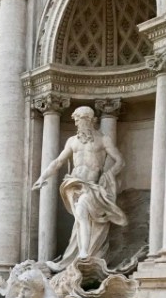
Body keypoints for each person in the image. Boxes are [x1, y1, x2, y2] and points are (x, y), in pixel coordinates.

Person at [32, 105, 127, 270]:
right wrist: (43, 177)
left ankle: (84, 252)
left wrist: (108, 174)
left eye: (79, 120)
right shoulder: (72, 141)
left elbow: (120, 160)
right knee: (80, 220)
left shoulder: (103, 139)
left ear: (88, 120)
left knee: (82, 209)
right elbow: (58, 161)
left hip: (92, 186)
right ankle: (79, 255)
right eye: (75, 120)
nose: (76, 124)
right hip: (73, 184)